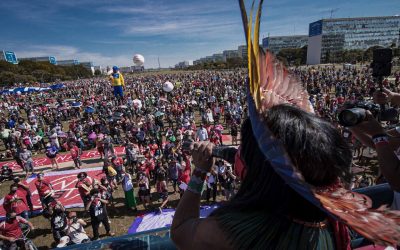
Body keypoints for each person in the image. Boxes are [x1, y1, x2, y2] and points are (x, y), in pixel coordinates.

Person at [171, 104, 354, 249]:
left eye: (244, 148)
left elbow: (181, 231)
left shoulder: (236, 231)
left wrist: (200, 171)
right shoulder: (327, 216)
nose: (238, 153)